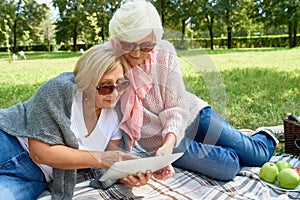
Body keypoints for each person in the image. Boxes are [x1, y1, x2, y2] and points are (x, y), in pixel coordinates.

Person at [108, 0, 281, 181]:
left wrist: (168, 143)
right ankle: (237, 142)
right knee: (227, 168)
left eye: (146, 46)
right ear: (119, 37)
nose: (137, 54)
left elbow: (175, 108)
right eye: (129, 44)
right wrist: (164, 150)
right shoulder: (109, 62)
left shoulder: (164, 51)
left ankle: (264, 134)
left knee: (258, 157)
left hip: (192, 116)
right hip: (163, 142)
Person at [0, 44, 152, 200]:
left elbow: (106, 165)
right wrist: (107, 159)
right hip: (8, 141)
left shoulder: (116, 117)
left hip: (35, 175)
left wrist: (123, 175)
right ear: (85, 83)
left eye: (120, 84)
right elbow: (40, 152)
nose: (115, 93)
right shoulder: (58, 91)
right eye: (105, 87)